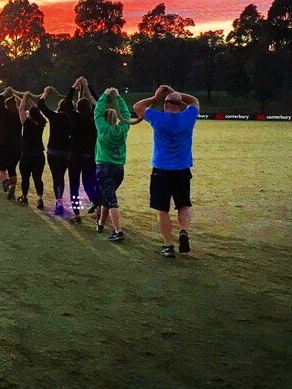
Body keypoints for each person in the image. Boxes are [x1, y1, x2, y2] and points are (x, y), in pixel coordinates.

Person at [133, 85, 199, 258]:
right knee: (184, 204)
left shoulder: (158, 118)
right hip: (182, 168)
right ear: (181, 105)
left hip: (161, 169)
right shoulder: (188, 117)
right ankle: (184, 230)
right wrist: (174, 92)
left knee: (162, 210)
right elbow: (194, 101)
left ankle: (168, 245)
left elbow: (137, 107)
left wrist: (156, 97)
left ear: (165, 105)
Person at [94, 87, 131, 242]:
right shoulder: (123, 128)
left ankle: (117, 231)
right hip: (118, 169)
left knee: (111, 200)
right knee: (106, 198)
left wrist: (105, 94)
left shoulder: (102, 128)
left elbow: (97, 112)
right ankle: (101, 223)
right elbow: (127, 115)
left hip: (104, 168)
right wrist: (118, 98)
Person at [65, 77, 101, 223]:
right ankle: (98, 206)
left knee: (74, 186)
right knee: (89, 184)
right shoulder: (94, 119)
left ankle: (76, 214)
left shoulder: (74, 118)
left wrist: (73, 87)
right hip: (90, 156)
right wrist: (88, 87)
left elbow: (67, 103)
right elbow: (98, 103)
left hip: (75, 157)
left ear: (77, 108)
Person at [38, 86, 72, 216]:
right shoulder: (72, 118)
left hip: (53, 151)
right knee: (61, 177)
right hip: (66, 152)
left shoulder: (54, 116)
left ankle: (59, 201)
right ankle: (60, 201)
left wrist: (45, 93)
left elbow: (41, 105)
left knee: (55, 177)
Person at [17, 92, 47, 208]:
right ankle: (40, 198)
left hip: (27, 155)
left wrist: (25, 96)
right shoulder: (41, 123)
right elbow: (36, 110)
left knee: (25, 178)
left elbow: (21, 109)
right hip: (39, 155)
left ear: (30, 115)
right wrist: (30, 99)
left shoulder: (27, 123)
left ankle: (24, 197)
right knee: (37, 178)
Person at [0, 87, 23, 201]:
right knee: (12, 170)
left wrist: (7, 91)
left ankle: (6, 183)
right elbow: (22, 105)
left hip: (1, 144)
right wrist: (15, 95)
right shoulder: (19, 116)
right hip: (16, 146)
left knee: (1, 169)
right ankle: (13, 189)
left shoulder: (3, 114)